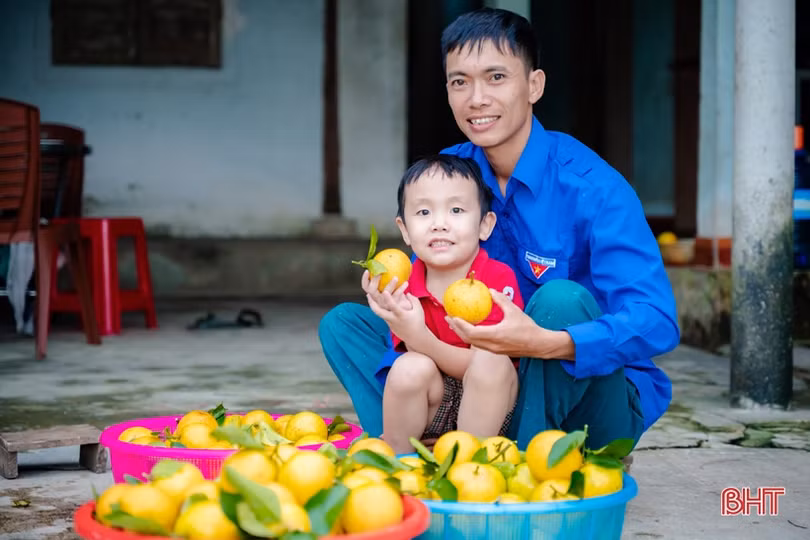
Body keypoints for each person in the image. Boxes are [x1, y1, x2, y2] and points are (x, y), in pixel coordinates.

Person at [319, 8, 679, 450]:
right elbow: (431, 287)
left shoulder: (594, 188)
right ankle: (412, 448)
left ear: (534, 85)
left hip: (586, 395)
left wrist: (547, 342)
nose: (476, 99)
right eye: (459, 82)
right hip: (483, 379)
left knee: (561, 301)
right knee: (344, 326)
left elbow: (657, 322)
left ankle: (520, 461)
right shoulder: (450, 174)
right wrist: (396, 300)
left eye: (495, 77)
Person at [374, 155, 524, 454]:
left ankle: (470, 463)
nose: (439, 224)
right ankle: (398, 459)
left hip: (491, 406)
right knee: (407, 367)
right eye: (424, 212)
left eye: (456, 210)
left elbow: (484, 366)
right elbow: (413, 360)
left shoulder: (496, 281)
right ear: (405, 230)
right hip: (434, 404)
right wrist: (386, 302)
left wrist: (421, 338)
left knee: (490, 361)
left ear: (485, 225)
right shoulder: (402, 285)